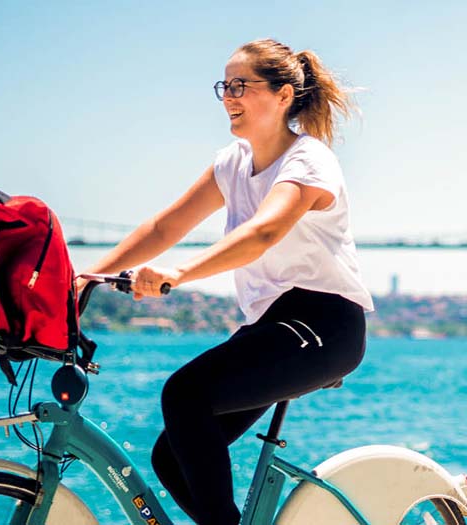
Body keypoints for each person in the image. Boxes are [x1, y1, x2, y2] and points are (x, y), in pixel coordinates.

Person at [76, 38, 374, 524]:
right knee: (170, 456)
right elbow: (164, 228)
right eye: (224, 86)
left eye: (242, 85)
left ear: (282, 96)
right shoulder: (232, 162)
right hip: (273, 328)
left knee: (183, 394)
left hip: (325, 325)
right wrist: (86, 276)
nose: (229, 97)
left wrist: (178, 273)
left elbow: (265, 230)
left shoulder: (308, 160)